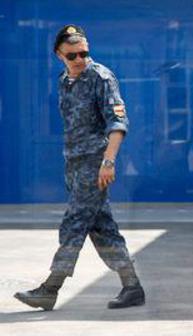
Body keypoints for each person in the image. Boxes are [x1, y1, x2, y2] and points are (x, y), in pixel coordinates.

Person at [14, 25, 145, 310]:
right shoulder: (65, 81)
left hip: (95, 165)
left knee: (73, 224)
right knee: (102, 228)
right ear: (59, 55)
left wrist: (108, 161)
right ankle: (133, 286)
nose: (80, 59)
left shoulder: (101, 77)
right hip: (74, 165)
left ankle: (51, 288)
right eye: (72, 55)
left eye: (84, 53)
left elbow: (118, 123)